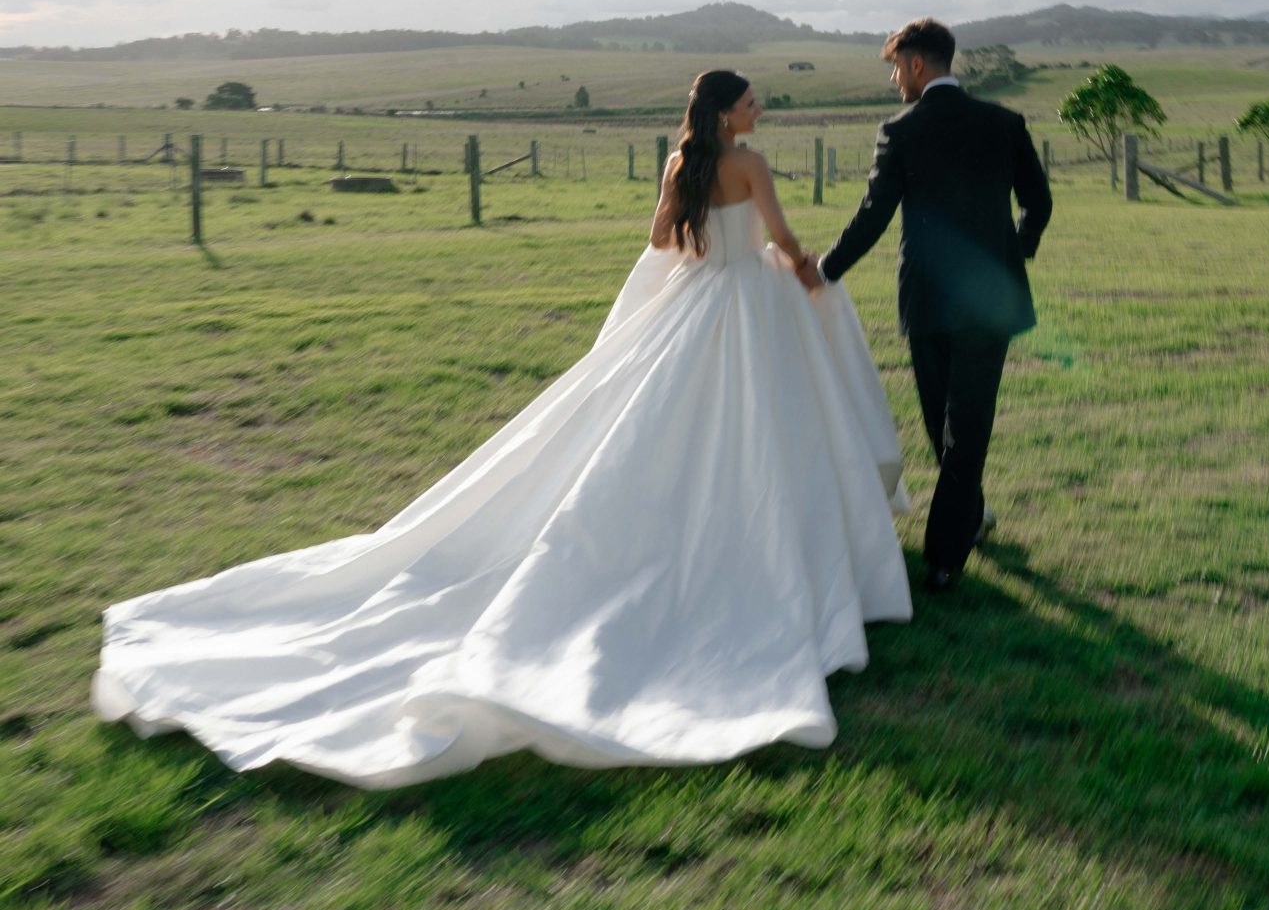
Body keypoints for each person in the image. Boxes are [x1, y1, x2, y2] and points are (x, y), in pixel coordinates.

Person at [92, 70, 911, 789]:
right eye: (752, 101)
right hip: (747, 301)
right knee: (764, 431)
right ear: (728, 112)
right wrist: (804, 272)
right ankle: (767, 547)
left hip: (695, 301)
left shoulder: (680, 163)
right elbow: (780, 237)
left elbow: (661, 240)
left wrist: (703, 236)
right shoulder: (750, 163)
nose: (759, 110)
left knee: (665, 428)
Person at [806, 19, 1052, 595]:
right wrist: (1013, 252)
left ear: (917, 64)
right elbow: (1038, 202)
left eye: (896, 68)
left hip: (926, 298)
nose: (895, 80)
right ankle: (970, 517)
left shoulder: (900, 130)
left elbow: (874, 213)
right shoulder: (1004, 122)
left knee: (949, 423)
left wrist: (825, 270)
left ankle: (943, 558)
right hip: (991, 299)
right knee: (961, 425)